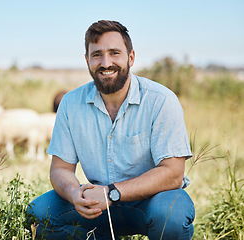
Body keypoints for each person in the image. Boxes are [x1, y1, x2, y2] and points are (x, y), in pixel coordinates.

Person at [28, 20, 195, 240]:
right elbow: (60, 169)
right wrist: (74, 193)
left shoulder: (161, 101)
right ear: (87, 61)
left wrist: (112, 192)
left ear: (131, 57)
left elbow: (173, 173)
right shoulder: (70, 104)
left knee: (172, 216)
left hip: (152, 200)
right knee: (38, 214)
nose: (106, 63)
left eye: (114, 53)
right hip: (97, 204)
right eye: (97, 55)